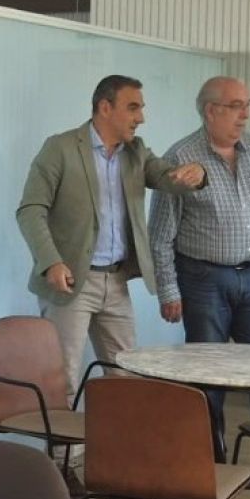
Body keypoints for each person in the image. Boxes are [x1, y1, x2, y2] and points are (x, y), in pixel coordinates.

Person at [16, 75, 206, 379]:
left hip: (116, 282)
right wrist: (50, 262)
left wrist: (197, 174)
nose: (141, 118)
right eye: (133, 108)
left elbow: (169, 178)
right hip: (71, 281)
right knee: (62, 378)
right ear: (105, 107)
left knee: (126, 376)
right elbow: (30, 210)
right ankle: (61, 415)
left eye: (141, 108)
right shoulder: (61, 148)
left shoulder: (136, 151)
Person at [151, 75, 250, 427]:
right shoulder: (181, 158)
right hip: (203, 281)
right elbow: (160, 234)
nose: (245, 114)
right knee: (206, 377)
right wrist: (168, 290)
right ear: (210, 111)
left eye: (247, 105)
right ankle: (208, 455)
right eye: (235, 106)